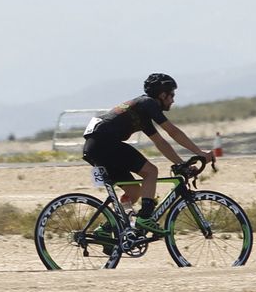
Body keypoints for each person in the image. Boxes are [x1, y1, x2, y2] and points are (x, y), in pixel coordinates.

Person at [82, 73, 211, 234]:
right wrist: (199, 152)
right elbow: (172, 132)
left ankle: (106, 230)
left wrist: (180, 163)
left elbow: (160, 142)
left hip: (95, 147)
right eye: (171, 95)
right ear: (162, 94)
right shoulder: (148, 103)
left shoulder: (141, 111)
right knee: (151, 171)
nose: (173, 100)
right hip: (104, 143)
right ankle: (145, 217)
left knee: (133, 191)